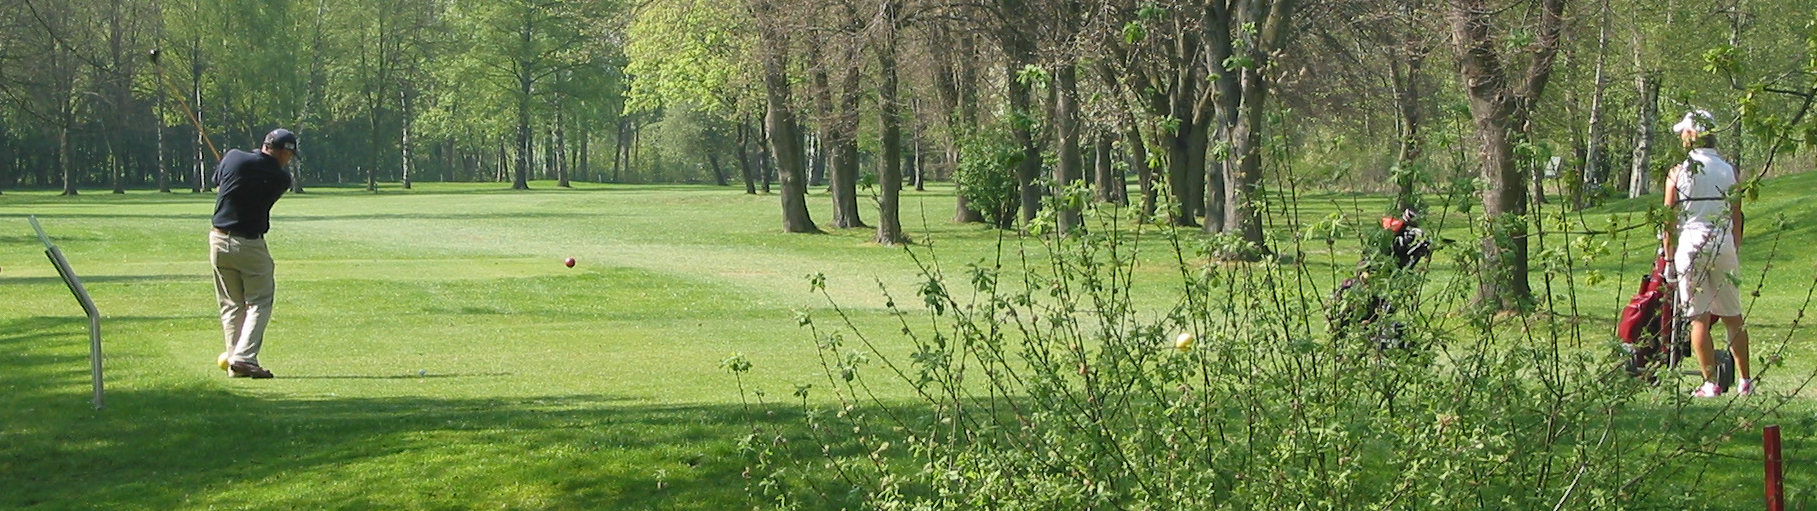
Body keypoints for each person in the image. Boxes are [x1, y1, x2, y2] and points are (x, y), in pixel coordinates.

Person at [1662, 110, 1753, 397]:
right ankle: (1745, 381)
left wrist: (1668, 259)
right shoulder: (1728, 169)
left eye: (1683, 133)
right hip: (1722, 241)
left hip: (1691, 242)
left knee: (1698, 317)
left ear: (1692, 135)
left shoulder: (1678, 172)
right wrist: (1733, 246)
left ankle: (1710, 383)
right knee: (1733, 316)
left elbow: (1669, 220)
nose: (1680, 137)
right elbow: (1737, 215)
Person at [211, 129, 297, 379]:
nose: (288, 160)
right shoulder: (281, 178)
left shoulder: (233, 156)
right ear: (283, 152)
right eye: (289, 155)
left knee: (231, 304)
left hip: (217, 240)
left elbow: (219, 184)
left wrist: (229, 167)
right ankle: (244, 358)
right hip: (248, 245)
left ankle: (235, 361)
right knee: (259, 301)